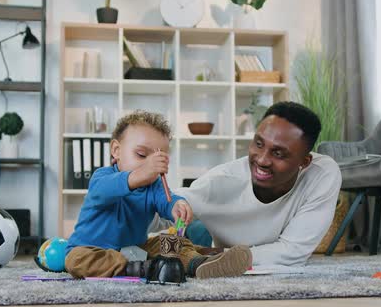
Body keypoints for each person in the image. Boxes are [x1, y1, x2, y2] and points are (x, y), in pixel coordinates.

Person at [65, 110, 252, 279]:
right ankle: (145, 268)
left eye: (157, 159)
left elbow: (167, 201)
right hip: (92, 250)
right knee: (76, 260)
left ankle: (200, 264)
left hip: (135, 250)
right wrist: (141, 173)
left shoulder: (154, 186)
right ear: (116, 150)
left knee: (172, 242)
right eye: (141, 154)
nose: (150, 164)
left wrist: (178, 206)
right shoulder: (102, 176)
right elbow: (104, 191)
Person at [175, 101, 342, 266]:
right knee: (193, 228)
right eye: (259, 144)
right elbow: (169, 203)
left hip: (220, 249)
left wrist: (216, 255)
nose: (262, 160)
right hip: (206, 232)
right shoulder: (220, 181)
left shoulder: (321, 174)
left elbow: (292, 253)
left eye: (278, 153)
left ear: (305, 162)